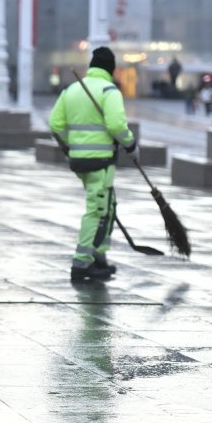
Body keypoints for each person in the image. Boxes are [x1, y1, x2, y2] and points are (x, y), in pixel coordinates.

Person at [49, 46, 137, 281]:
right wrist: (130, 144)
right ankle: (82, 263)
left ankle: (99, 256)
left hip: (79, 161)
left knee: (107, 205)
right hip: (101, 161)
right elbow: (117, 126)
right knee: (98, 210)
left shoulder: (72, 90)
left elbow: (55, 124)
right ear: (111, 69)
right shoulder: (109, 91)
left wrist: (70, 146)